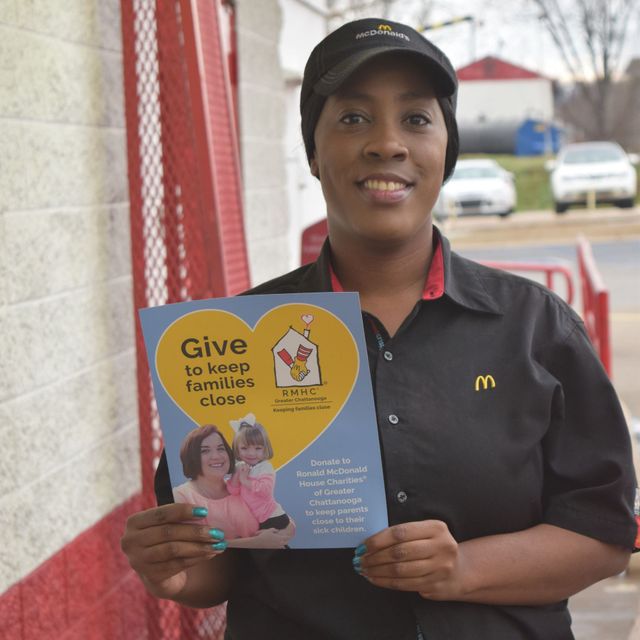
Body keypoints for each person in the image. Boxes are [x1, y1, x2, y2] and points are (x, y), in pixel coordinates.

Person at [121, 18, 637, 639]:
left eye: (416, 119)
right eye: (353, 119)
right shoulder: (238, 340)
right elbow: (219, 565)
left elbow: (604, 533)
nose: (386, 143)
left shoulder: (535, 328)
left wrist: (465, 568)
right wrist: (174, 573)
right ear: (313, 152)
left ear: (446, 151)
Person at [171, 424, 294, 548]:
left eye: (220, 448)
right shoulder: (180, 496)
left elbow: (287, 524)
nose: (216, 456)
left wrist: (281, 535)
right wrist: (257, 543)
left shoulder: (242, 486)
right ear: (191, 457)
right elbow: (188, 548)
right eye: (205, 450)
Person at [226, 416, 291, 531]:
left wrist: (245, 480)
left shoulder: (265, 467)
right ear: (237, 449)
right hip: (256, 519)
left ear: (265, 449)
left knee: (274, 545)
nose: (251, 453)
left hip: (272, 517)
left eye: (257, 448)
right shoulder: (240, 466)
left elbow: (265, 490)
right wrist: (237, 476)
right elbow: (233, 492)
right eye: (244, 448)